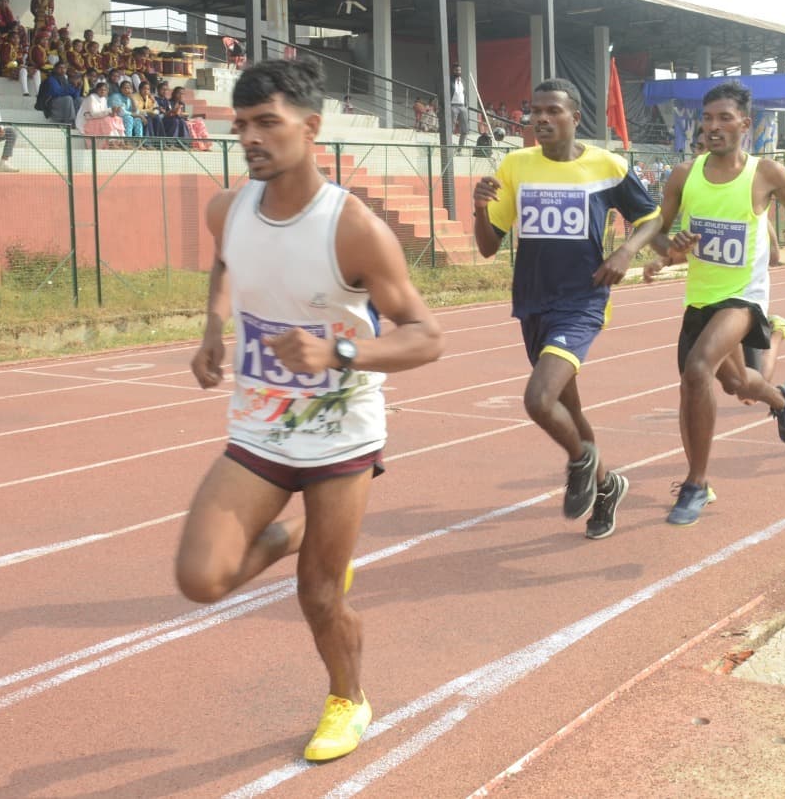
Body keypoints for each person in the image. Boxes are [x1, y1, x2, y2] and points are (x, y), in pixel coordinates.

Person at [179, 58, 444, 763]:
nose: (252, 137)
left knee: (321, 594)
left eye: (268, 121)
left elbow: (427, 337)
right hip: (260, 426)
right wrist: (213, 324)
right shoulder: (226, 208)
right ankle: (294, 534)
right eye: (241, 125)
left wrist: (339, 354)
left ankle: (348, 698)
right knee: (200, 579)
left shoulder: (353, 227)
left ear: (311, 127)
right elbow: (226, 258)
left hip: (338, 434)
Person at [472, 78, 662, 540]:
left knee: (539, 400)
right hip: (533, 301)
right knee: (568, 410)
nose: (541, 119)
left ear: (575, 118)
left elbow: (652, 217)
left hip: (581, 301)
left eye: (552, 111)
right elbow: (486, 248)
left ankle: (581, 461)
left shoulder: (607, 165)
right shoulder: (516, 165)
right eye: (534, 111)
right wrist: (479, 209)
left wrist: (626, 253)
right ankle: (607, 486)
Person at [649, 81, 785, 525]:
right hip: (700, 298)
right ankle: (780, 399)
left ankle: (696, 484)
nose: (713, 127)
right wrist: (670, 247)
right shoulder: (684, 174)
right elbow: (657, 233)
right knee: (738, 384)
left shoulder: (765, 173)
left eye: (724, 119)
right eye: (707, 119)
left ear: (745, 125)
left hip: (744, 298)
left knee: (696, 371)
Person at [450, 61, 469, 145]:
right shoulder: (449, 81)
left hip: (462, 106)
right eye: (457, 70)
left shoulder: (463, 81)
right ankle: (448, 147)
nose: (458, 72)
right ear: (453, 71)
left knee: (465, 129)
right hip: (453, 106)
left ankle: (460, 148)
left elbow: (465, 93)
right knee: (451, 128)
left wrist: (466, 105)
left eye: (459, 70)